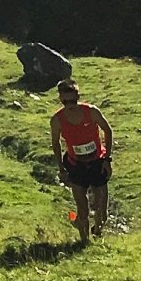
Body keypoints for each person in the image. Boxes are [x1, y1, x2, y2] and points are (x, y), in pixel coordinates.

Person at [49, 79, 114, 245]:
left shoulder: (91, 112)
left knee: (102, 210)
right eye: (65, 101)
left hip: (97, 162)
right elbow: (55, 143)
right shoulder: (57, 120)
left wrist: (107, 159)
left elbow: (107, 130)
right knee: (82, 208)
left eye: (72, 100)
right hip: (76, 165)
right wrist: (62, 169)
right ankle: (84, 242)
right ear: (60, 99)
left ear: (78, 96)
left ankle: (98, 228)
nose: (69, 105)